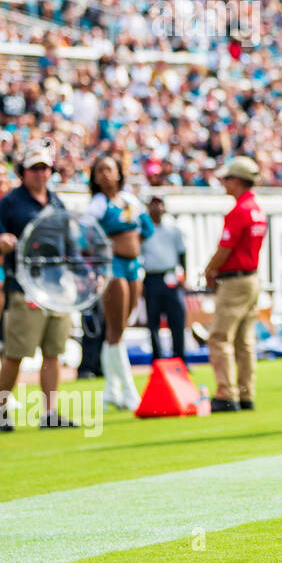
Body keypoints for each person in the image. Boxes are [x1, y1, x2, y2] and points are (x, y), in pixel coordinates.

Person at [0, 141, 76, 430]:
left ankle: (50, 413)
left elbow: (70, 242)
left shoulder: (57, 202)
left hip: (56, 286)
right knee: (16, 352)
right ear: (23, 171)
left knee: (53, 351)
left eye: (45, 167)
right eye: (35, 168)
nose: (41, 173)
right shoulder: (10, 202)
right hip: (23, 285)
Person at [84, 152, 153, 412]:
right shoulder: (98, 204)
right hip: (113, 266)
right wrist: (108, 248)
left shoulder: (129, 200)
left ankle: (111, 390)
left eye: (109, 169)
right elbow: (84, 236)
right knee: (116, 330)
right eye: (100, 170)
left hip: (134, 265)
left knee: (120, 327)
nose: (105, 174)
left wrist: (131, 242)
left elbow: (147, 227)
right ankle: (128, 390)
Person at [202, 157, 267, 412]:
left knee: (219, 337)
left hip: (235, 281)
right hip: (251, 277)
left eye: (227, 178)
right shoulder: (257, 209)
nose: (224, 183)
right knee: (245, 341)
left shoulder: (239, 211)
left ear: (237, 181)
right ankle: (246, 393)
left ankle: (226, 394)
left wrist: (209, 270)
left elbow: (225, 248)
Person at [140, 195, 188, 363]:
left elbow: (182, 252)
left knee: (177, 319)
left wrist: (184, 275)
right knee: (153, 321)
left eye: (159, 203)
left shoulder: (173, 228)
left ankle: (179, 359)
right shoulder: (144, 229)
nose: (156, 207)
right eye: (153, 203)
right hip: (152, 276)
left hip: (170, 275)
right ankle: (158, 360)